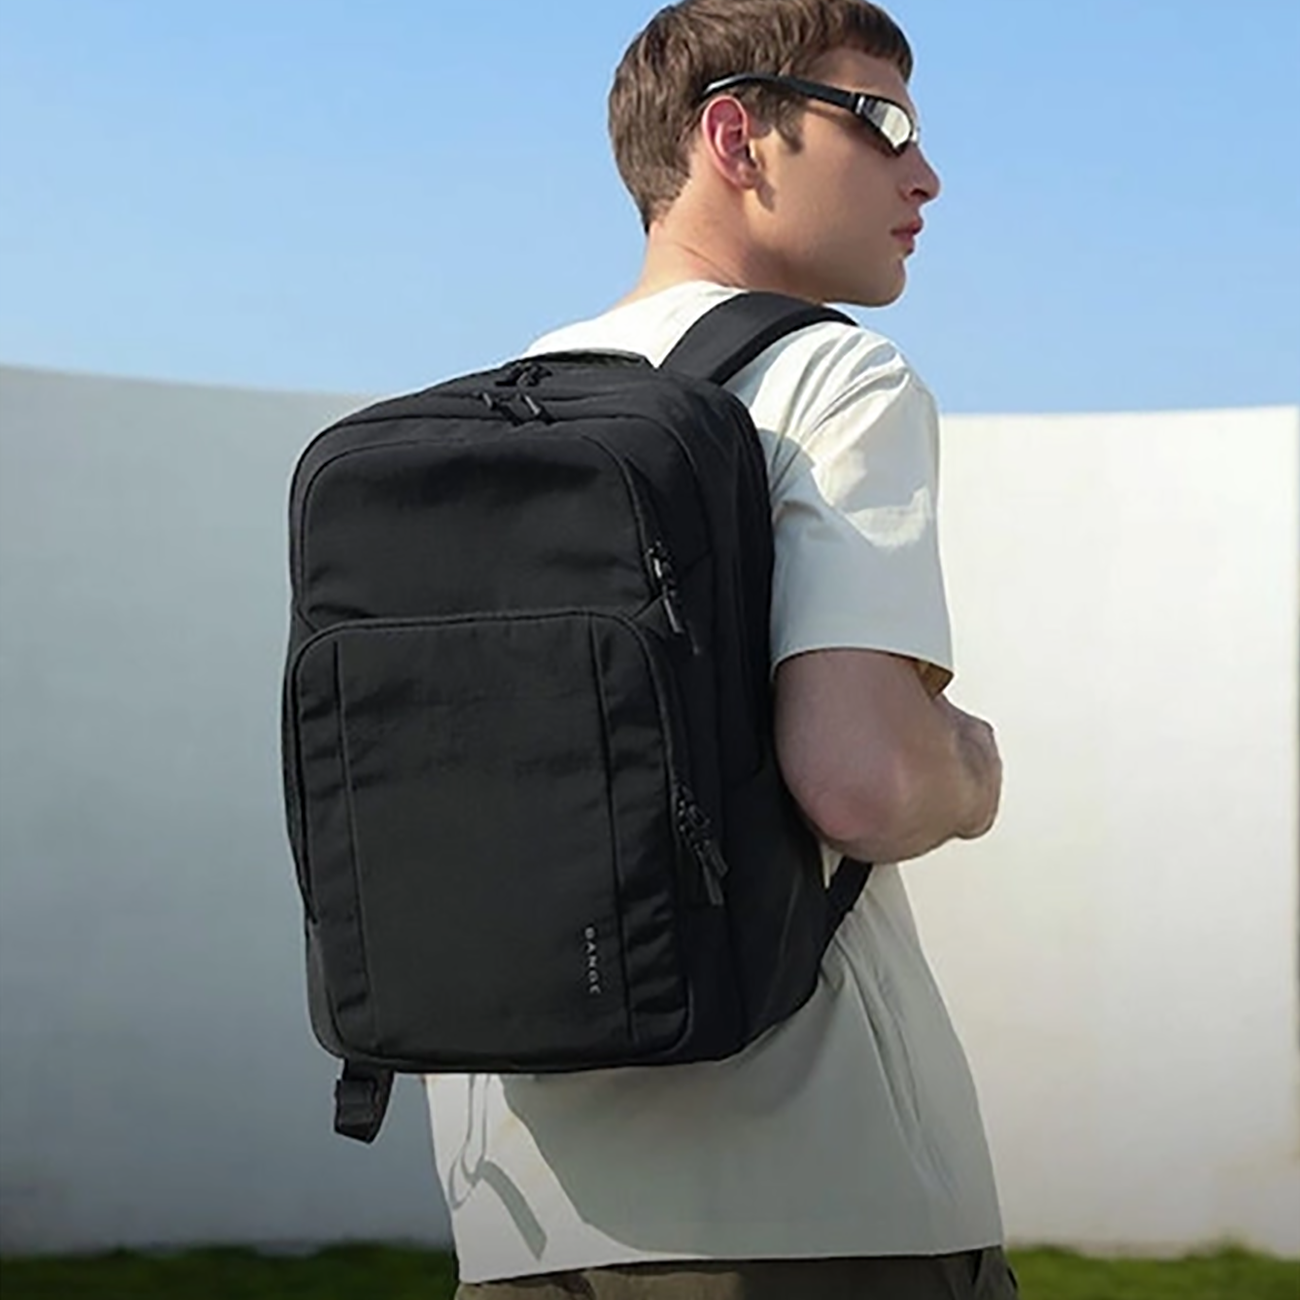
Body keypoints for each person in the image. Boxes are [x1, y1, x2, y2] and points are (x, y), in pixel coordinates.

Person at [426, 2, 1013, 1295]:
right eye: (885, 123)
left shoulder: (494, 415)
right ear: (736, 137)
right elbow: (866, 781)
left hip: (519, 1209)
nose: (926, 175)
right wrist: (973, 768)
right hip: (815, 1200)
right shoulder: (830, 379)